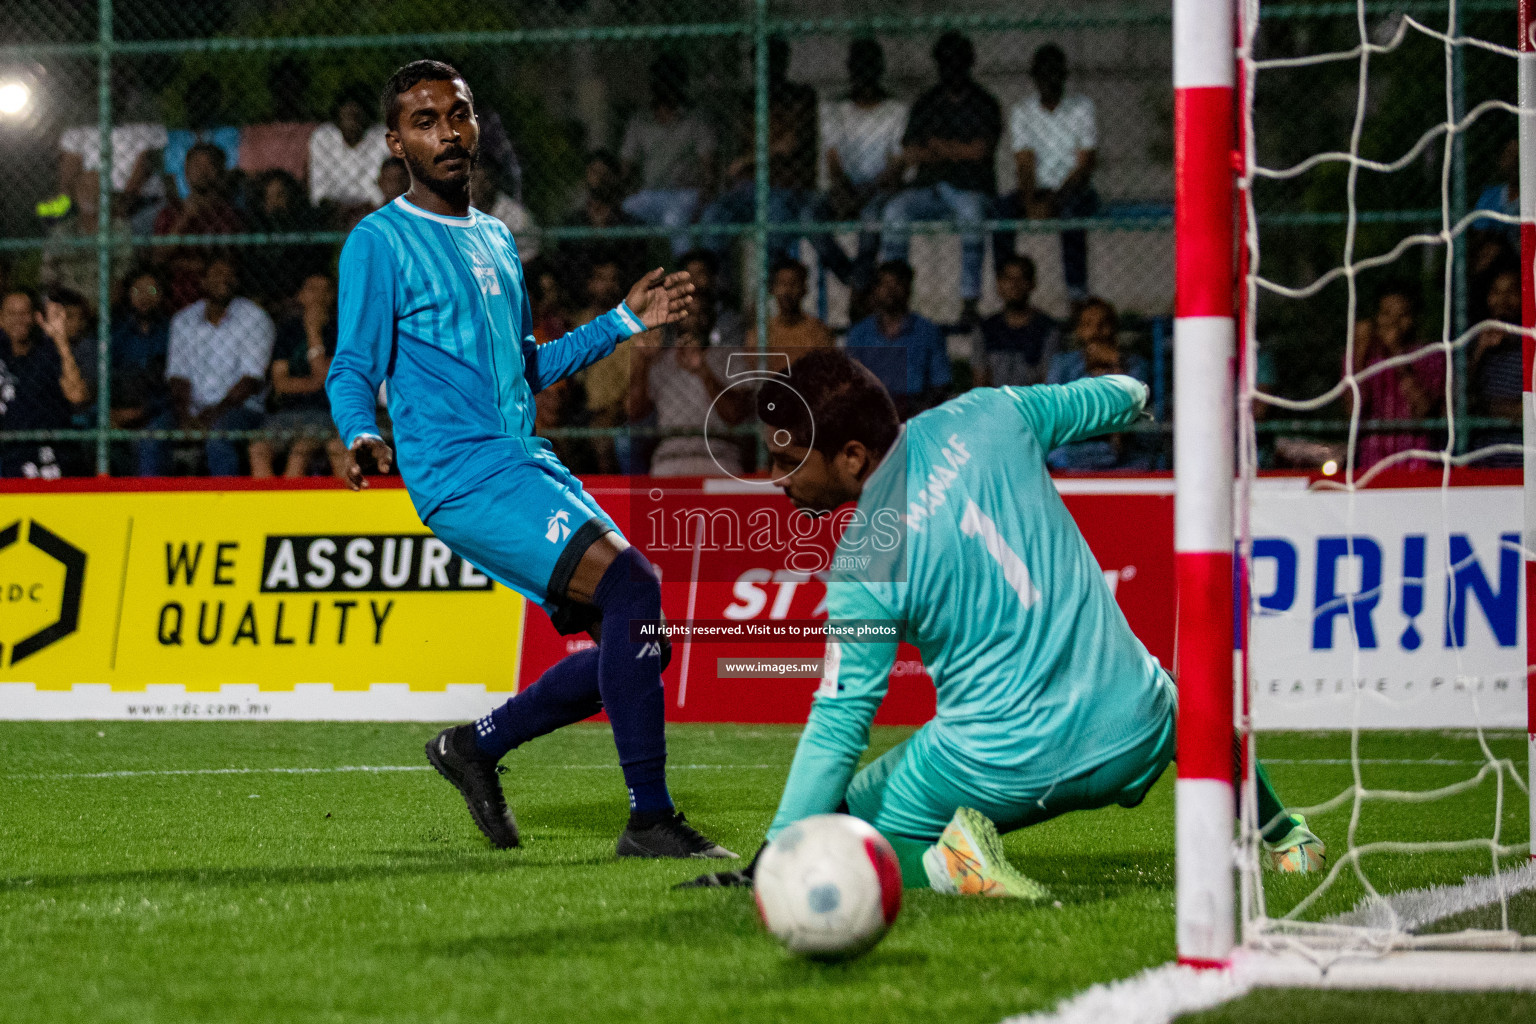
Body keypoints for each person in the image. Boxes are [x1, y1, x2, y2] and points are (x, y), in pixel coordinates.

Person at [682, 349, 1324, 894]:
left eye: (787, 458)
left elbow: (839, 724)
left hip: (1002, 771)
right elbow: (1119, 395)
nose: (774, 478)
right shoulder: (991, 413)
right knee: (1184, 704)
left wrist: (772, 856)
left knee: (850, 818)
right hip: (1134, 728)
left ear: (852, 456)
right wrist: (1134, 395)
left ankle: (945, 864)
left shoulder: (863, 565)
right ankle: (1287, 837)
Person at [325, 60, 734, 859]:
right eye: (424, 119)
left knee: (643, 636)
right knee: (635, 589)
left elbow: (526, 367)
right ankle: (649, 820)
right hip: (461, 476)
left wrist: (621, 321)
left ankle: (475, 746)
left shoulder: (497, 239)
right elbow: (351, 365)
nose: (446, 131)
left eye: (459, 114)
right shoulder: (379, 242)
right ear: (395, 142)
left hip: (525, 462)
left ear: (478, 126)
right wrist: (359, 432)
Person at [881, 32, 1002, 326]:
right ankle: (895, 294)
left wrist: (937, 147)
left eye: (958, 61)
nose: (951, 68)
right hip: (928, 189)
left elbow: (980, 151)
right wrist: (956, 150)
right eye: (945, 62)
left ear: (969, 63)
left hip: (970, 189)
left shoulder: (984, 102)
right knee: (894, 212)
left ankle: (969, 300)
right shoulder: (927, 102)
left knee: (972, 214)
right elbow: (911, 152)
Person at [145, 255, 275, 476]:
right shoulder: (184, 319)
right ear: (202, 281)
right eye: (216, 274)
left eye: (229, 275)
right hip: (189, 408)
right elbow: (178, 376)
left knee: (218, 439)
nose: (223, 280)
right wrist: (186, 416)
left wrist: (210, 417)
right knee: (150, 439)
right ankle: (150, 504)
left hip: (241, 409)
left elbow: (250, 381)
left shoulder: (255, 318)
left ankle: (225, 505)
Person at [698, 36, 819, 269]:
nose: (765, 69)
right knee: (714, 216)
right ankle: (720, 289)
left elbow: (789, 146)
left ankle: (764, 294)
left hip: (786, 185)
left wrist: (750, 159)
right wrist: (757, 158)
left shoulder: (800, 95)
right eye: (759, 63)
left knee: (776, 218)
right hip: (750, 187)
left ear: (783, 63)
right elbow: (743, 153)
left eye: (772, 62)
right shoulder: (749, 100)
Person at [997, 44, 1099, 301]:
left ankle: (1077, 294)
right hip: (1037, 188)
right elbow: (1024, 162)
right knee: (1000, 213)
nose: (1049, 79)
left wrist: (1054, 201)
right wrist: (1031, 202)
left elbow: (1084, 165)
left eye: (1054, 73)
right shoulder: (1023, 111)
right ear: (1034, 77)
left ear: (1064, 75)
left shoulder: (1081, 107)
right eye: (1042, 74)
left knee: (1071, 215)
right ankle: (1007, 289)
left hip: (1073, 189)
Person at [814, 38, 908, 293]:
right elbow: (833, 161)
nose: (863, 74)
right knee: (810, 215)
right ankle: (849, 275)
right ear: (850, 70)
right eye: (858, 67)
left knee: (870, 215)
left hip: (882, 187)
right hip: (847, 186)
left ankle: (863, 278)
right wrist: (845, 193)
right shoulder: (834, 109)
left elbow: (896, 165)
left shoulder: (896, 110)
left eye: (869, 67)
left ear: (879, 69)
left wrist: (864, 195)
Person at [627, 301, 748, 477]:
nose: (694, 320)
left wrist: (703, 371)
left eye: (701, 314)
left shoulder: (729, 358)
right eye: (687, 315)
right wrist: (643, 361)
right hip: (671, 454)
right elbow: (633, 411)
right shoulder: (661, 362)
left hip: (718, 453)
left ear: (711, 320)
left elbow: (735, 415)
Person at [250, 271, 347, 480]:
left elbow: (326, 376)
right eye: (312, 289)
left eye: (325, 290)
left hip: (325, 413)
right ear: (301, 295)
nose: (318, 296)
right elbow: (280, 383)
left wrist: (313, 331)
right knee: (258, 450)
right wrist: (316, 381)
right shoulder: (288, 330)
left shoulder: (341, 330)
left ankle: (292, 511)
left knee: (299, 453)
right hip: (287, 412)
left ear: (332, 297)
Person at [620, 58, 717, 256]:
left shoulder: (695, 120)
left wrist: (703, 196)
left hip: (685, 194)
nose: (665, 86)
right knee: (624, 211)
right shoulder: (640, 121)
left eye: (670, 80)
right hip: (650, 194)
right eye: (659, 81)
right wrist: (626, 190)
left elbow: (709, 167)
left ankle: (683, 279)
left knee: (674, 218)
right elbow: (625, 166)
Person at [1349, 282, 1444, 472]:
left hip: (1418, 465)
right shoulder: (1362, 357)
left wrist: (1396, 354)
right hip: (1373, 464)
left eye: (1402, 316)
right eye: (1386, 314)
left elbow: (1424, 410)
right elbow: (1354, 410)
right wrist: (1359, 355)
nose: (1393, 322)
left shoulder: (1431, 355)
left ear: (1414, 319)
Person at [1045, 298, 1149, 470]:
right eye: (1088, 324)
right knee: (1056, 456)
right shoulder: (1063, 365)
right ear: (1078, 331)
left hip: (1124, 452)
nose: (1096, 332)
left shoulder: (1135, 364)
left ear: (1114, 329)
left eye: (1103, 324)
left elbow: (1132, 406)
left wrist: (1117, 364)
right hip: (1075, 448)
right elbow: (1056, 409)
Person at [0, 290, 92, 478]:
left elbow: (77, 396)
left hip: (48, 453)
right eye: (11, 313)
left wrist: (60, 339)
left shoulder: (49, 353)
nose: (18, 319)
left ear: (36, 317)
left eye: (24, 313)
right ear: (1, 319)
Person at [844, 260, 950, 418]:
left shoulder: (927, 332)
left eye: (897, 284)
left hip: (915, 414)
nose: (890, 291)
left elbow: (941, 384)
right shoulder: (860, 333)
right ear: (875, 289)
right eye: (885, 285)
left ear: (909, 288)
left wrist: (919, 415)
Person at [152, 143, 245, 309]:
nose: (203, 171)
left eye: (209, 165)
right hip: (177, 296)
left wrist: (181, 263)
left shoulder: (230, 214)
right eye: (197, 165)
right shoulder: (171, 212)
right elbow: (159, 258)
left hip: (220, 297)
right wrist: (184, 219)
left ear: (220, 172)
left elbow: (229, 260)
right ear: (186, 172)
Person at [557, 150, 651, 284]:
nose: (599, 178)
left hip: (620, 287)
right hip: (583, 287)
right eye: (594, 172)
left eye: (604, 173)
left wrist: (614, 274)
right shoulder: (573, 222)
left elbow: (636, 263)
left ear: (614, 178)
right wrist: (593, 275)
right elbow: (565, 262)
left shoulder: (630, 223)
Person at [309, 84, 392, 225]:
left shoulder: (382, 137)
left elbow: (384, 187)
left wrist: (365, 208)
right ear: (338, 115)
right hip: (331, 210)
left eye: (357, 115)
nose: (353, 122)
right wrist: (338, 208)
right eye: (348, 115)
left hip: (372, 209)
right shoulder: (323, 137)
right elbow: (318, 191)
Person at [976, 254, 1060, 387]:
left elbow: (1048, 381)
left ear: (1032, 283)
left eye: (1021, 278)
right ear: (998, 284)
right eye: (1008, 278)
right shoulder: (985, 329)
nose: (1014, 285)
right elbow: (980, 382)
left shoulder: (1046, 329)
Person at [1468, 265, 1522, 466]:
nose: (1503, 300)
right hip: (1483, 462)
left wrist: (1485, 408)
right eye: (1496, 292)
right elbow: (1457, 405)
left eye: (1511, 291)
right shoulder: (1475, 343)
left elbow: (1527, 409)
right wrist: (1479, 353)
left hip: (1521, 462)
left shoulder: (1530, 346)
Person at [162, 73, 242, 200]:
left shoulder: (229, 134)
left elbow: (230, 174)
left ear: (216, 104)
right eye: (196, 99)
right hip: (184, 203)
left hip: (219, 201)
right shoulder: (176, 137)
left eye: (207, 100)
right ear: (187, 102)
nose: (201, 105)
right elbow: (170, 178)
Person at [238, 58, 317, 184]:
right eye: (282, 87)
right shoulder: (255, 131)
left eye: (292, 88)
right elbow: (248, 174)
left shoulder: (314, 131)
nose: (286, 94)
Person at [745, 257, 834, 365]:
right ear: (773, 289)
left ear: (804, 289)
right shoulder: (759, 335)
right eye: (782, 284)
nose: (787, 291)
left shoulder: (818, 333)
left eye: (793, 284)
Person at [470, 154, 540, 260]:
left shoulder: (516, 216)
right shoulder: (460, 208)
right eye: (470, 179)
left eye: (478, 179)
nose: (472, 185)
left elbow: (530, 257)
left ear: (491, 182)